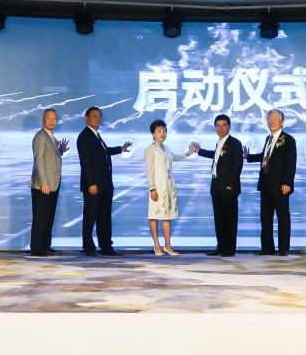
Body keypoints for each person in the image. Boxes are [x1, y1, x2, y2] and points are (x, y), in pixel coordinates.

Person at [76, 106, 132, 256]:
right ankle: (88, 247)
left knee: (104, 217)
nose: (97, 118)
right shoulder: (84, 136)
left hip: (105, 184)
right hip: (94, 185)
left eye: (99, 115)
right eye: (94, 115)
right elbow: (85, 162)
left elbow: (104, 152)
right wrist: (91, 183)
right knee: (90, 217)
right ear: (86, 118)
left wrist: (120, 149)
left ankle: (106, 246)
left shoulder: (96, 135)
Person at [245, 109, 297, 256]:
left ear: (282, 122)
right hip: (265, 185)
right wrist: (248, 157)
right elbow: (265, 156)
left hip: (281, 186)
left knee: (283, 218)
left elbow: (291, 163)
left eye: (275, 119)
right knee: (265, 218)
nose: (271, 122)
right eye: (269, 119)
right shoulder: (268, 138)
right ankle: (267, 249)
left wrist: (287, 182)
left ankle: (283, 248)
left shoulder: (288, 139)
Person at [193, 114, 244, 257]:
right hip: (216, 186)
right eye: (218, 125)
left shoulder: (235, 143)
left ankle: (229, 249)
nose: (221, 128)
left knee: (230, 219)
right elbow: (216, 156)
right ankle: (220, 247)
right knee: (219, 219)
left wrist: (231, 185)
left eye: (224, 125)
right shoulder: (220, 142)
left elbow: (238, 165)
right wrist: (199, 151)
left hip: (228, 188)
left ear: (229, 126)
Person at [144, 119, 197, 256]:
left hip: (168, 185)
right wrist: (152, 188)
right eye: (159, 131)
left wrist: (188, 153)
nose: (162, 134)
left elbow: (174, 157)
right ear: (153, 134)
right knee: (154, 216)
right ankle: (157, 246)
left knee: (166, 216)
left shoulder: (166, 148)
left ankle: (168, 246)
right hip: (157, 187)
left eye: (164, 131)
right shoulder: (150, 149)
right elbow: (149, 170)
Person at [29, 108, 70, 257]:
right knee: (40, 218)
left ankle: (45, 246)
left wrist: (61, 151)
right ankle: (37, 248)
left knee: (48, 217)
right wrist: (44, 182)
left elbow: (49, 157)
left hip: (53, 184)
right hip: (43, 185)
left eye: (54, 119)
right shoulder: (41, 136)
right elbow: (39, 160)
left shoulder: (51, 136)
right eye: (49, 118)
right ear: (43, 120)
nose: (52, 121)